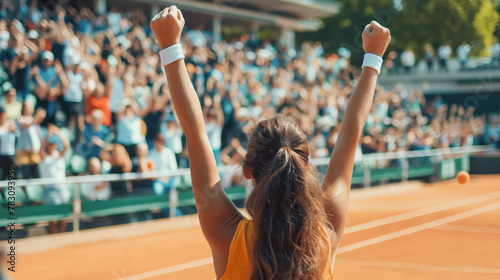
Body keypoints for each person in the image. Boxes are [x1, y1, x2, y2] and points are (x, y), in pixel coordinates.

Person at [150, 7, 390, 279]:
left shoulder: (227, 234)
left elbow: (195, 132)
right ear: (305, 166)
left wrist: (170, 47)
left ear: (247, 171)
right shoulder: (325, 233)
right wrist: (373, 58)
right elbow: (351, 134)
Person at [39, 124, 70, 234]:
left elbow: (67, 144)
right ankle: (53, 237)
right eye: (50, 144)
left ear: (56, 145)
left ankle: (61, 236)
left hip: (62, 188)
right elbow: (41, 147)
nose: (52, 146)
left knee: (64, 215)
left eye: (53, 144)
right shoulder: (44, 157)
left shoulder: (59, 156)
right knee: (52, 217)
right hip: (50, 190)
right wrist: (47, 135)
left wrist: (58, 132)